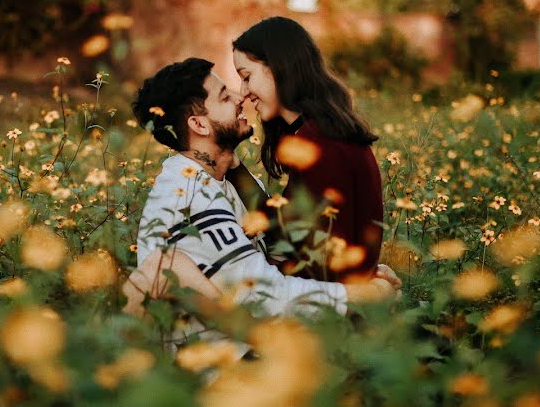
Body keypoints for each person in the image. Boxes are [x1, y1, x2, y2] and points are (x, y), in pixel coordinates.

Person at [122, 58, 398, 320]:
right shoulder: (193, 196)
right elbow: (266, 296)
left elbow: (280, 250)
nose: (239, 97)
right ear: (199, 124)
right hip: (224, 358)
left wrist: (357, 275)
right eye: (224, 96)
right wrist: (361, 295)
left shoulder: (225, 175)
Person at [231, 16, 384, 284]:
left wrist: (266, 273)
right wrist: (232, 167)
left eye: (246, 76)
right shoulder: (315, 134)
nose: (243, 92)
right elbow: (293, 230)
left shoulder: (322, 146)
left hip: (334, 316)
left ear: (278, 67)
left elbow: (325, 263)